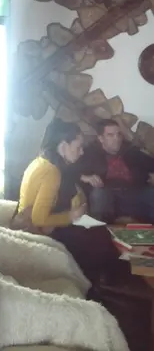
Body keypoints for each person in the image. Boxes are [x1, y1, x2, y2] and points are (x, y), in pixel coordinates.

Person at [16, 119, 123, 287]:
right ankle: (95, 286)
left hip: (38, 225)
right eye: (78, 147)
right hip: (36, 231)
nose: (81, 152)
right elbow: (38, 219)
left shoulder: (43, 161)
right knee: (100, 237)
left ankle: (99, 281)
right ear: (63, 146)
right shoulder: (51, 172)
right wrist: (72, 216)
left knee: (100, 232)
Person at [77, 119, 154, 224]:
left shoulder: (130, 150)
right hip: (109, 193)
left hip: (135, 191)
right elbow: (71, 169)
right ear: (101, 138)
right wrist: (84, 177)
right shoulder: (89, 153)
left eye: (118, 134)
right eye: (110, 135)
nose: (116, 139)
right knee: (99, 194)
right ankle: (99, 231)